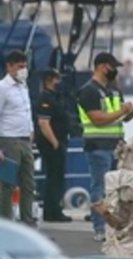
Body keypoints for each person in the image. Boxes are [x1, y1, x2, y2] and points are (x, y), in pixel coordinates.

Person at [77, 52, 133, 241]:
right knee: (100, 188)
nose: (115, 71)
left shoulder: (114, 90)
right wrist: (121, 110)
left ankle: (116, 226)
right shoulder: (89, 91)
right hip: (98, 146)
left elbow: (120, 117)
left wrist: (130, 112)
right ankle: (100, 228)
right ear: (103, 67)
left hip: (116, 146)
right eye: (113, 67)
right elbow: (98, 119)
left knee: (117, 190)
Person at [0, 50, 37, 226]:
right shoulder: (2, 88)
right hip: (8, 141)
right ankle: (6, 222)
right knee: (7, 185)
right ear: (9, 66)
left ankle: (27, 220)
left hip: (25, 140)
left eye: (25, 66)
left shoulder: (24, 86)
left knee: (28, 183)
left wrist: (30, 131)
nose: (24, 70)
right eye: (20, 66)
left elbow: (26, 112)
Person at [36, 69, 72, 222]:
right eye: (57, 79)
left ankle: (53, 210)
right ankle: (52, 212)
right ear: (49, 80)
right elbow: (44, 123)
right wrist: (55, 143)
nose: (60, 82)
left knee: (57, 176)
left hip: (60, 140)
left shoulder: (56, 97)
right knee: (54, 177)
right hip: (51, 143)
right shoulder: (45, 97)